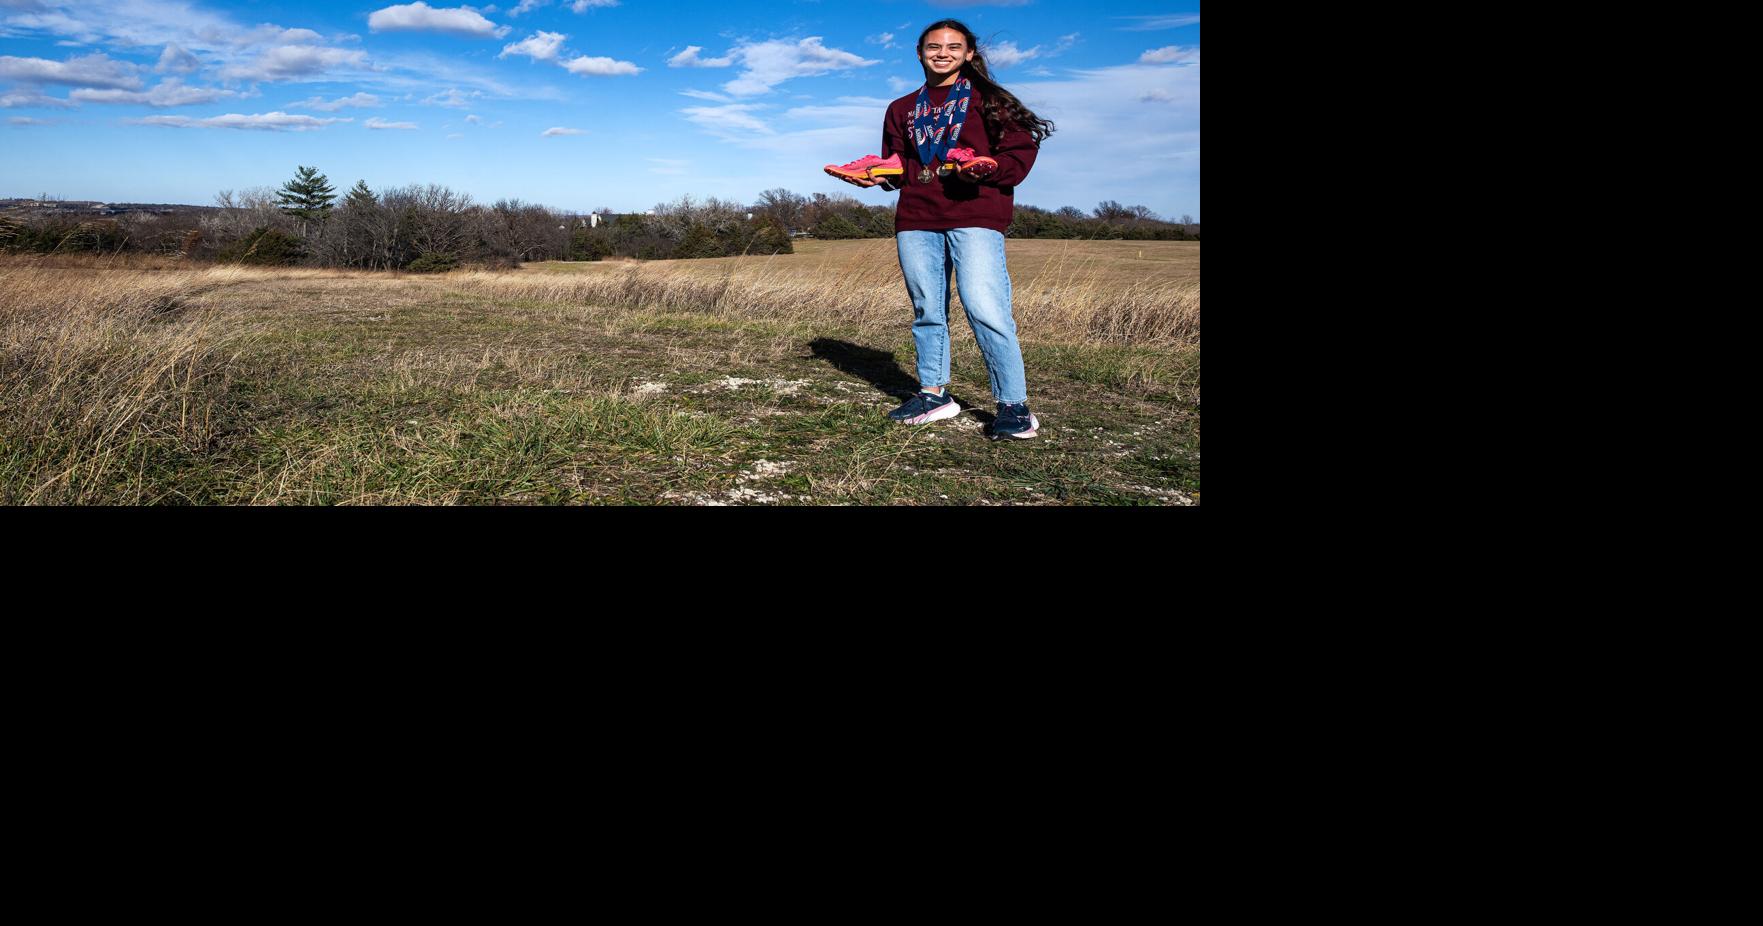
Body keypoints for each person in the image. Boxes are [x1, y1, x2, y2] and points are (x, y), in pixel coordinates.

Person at [835, 19, 1056, 439]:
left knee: (985, 307)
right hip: (917, 217)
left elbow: (1019, 154)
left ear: (969, 53)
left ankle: (1015, 406)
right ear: (919, 52)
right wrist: (876, 177)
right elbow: (899, 167)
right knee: (927, 310)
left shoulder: (990, 101)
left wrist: (985, 169)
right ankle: (934, 395)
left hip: (976, 214)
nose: (943, 53)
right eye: (934, 46)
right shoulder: (901, 108)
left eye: (953, 47)